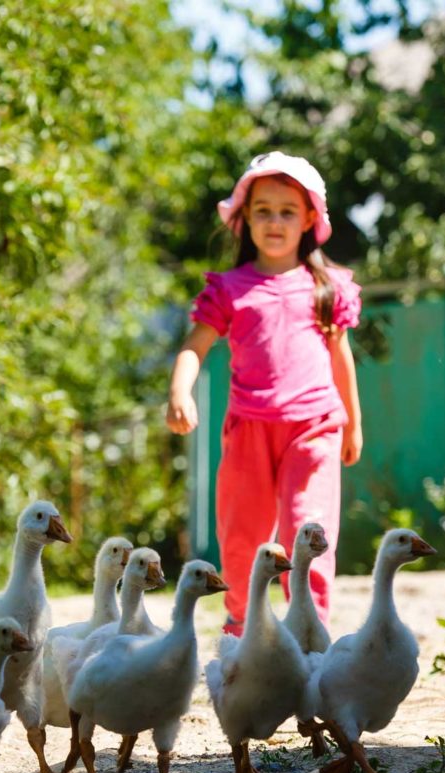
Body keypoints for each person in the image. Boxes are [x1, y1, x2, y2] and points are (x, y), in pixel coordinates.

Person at [166, 151, 363, 636]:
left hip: (315, 426)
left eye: (287, 211)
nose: (275, 221)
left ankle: (309, 635)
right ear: (244, 219)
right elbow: (195, 346)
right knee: (241, 539)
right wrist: (180, 391)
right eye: (263, 210)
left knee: (308, 530)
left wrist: (353, 423)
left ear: (310, 220)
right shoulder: (230, 289)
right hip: (248, 430)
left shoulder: (324, 287)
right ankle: (241, 629)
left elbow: (342, 357)